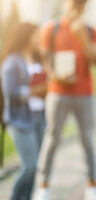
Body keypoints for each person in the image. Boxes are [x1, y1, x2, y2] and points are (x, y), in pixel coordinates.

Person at [34, 0, 96, 200]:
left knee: (87, 140)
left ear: (84, 7)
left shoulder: (89, 31)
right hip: (58, 92)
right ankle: (43, 187)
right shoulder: (50, 29)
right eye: (72, 4)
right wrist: (55, 76)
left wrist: (81, 37)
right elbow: (45, 60)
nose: (75, 9)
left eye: (80, 6)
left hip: (84, 93)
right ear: (66, 1)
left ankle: (92, 188)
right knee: (52, 138)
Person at [0, 22, 45, 200]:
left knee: (36, 167)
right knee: (29, 166)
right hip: (20, 120)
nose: (38, 39)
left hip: (39, 117)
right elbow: (10, 93)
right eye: (35, 35)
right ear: (25, 37)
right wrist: (36, 90)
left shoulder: (36, 58)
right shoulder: (11, 62)